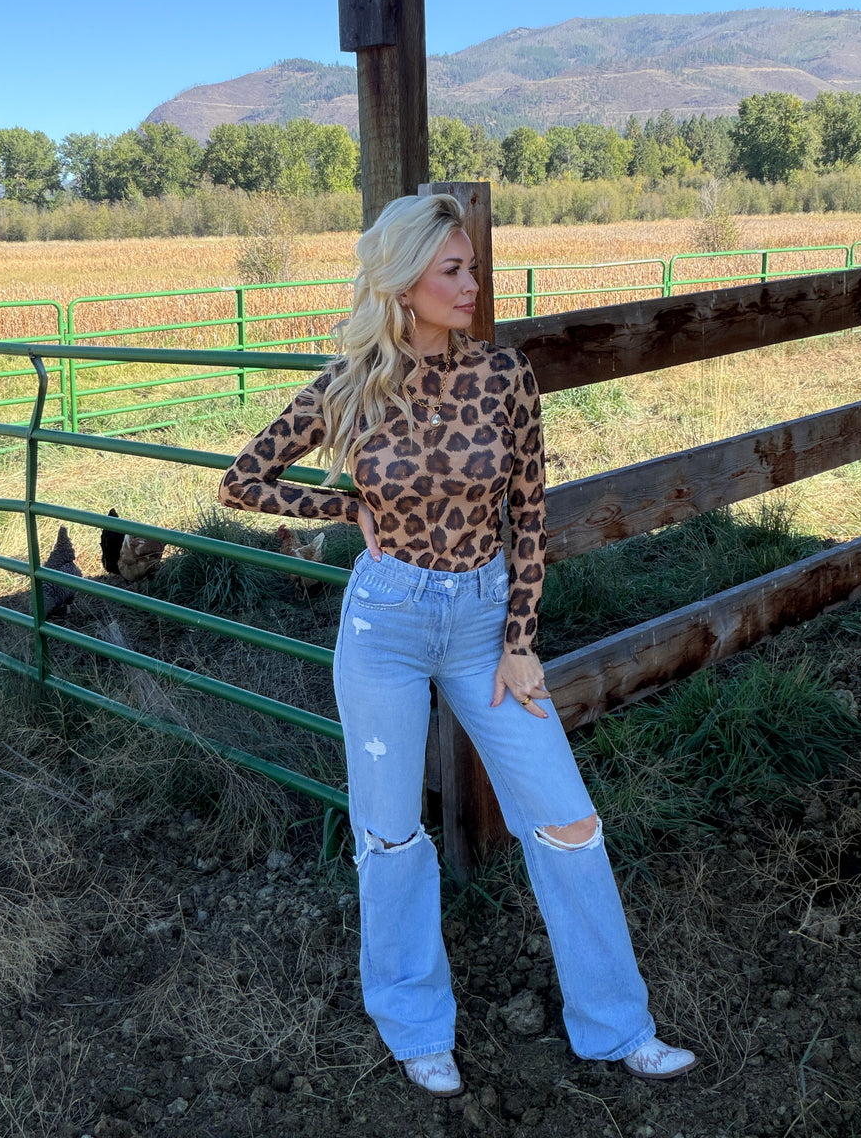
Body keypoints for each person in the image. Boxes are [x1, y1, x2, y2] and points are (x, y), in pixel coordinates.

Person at [219, 193, 695, 1096]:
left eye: (471, 267)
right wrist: (344, 507)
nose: (472, 284)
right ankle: (415, 1026)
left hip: (484, 627)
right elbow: (242, 481)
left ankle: (617, 1027)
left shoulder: (506, 375)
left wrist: (520, 642)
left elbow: (530, 516)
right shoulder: (350, 383)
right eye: (452, 269)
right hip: (386, 626)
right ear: (404, 282)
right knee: (392, 834)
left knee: (568, 819)